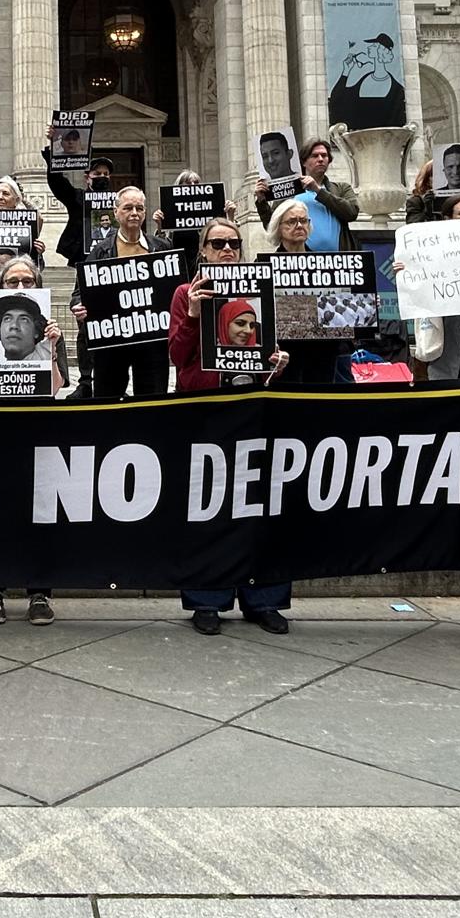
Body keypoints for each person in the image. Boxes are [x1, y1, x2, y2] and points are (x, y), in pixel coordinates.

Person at [166, 218, 294, 634]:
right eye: (217, 243)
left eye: (233, 243)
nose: (226, 250)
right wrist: (192, 315)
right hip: (202, 410)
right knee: (206, 507)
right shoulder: (186, 293)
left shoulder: (258, 291)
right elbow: (177, 356)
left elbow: (266, 349)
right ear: (202, 250)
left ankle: (264, 600)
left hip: (251, 409)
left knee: (260, 505)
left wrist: (276, 362)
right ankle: (207, 600)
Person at [0, 256, 66, 625]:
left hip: (38, 431)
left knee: (39, 515)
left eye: (27, 281)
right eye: (12, 282)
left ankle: (39, 593)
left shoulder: (52, 334)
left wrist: (51, 350)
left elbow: (56, 387)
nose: (20, 287)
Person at [70, 185, 173, 399]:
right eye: (128, 208)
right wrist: (79, 307)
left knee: (153, 401)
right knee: (107, 400)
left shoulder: (162, 248)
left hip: (152, 342)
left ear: (145, 212)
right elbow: (79, 292)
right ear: (115, 212)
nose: (134, 213)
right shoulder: (100, 251)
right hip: (111, 343)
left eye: (139, 208)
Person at [395, 193, 460, 380]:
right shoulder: (433, 250)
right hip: (451, 339)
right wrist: (406, 273)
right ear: (448, 219)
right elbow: (419, 290)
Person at [264, 199, 351, 384]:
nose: (299, 226)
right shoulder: (265, 266)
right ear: (278, 227)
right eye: (291, 221)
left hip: (323, 352)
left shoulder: (327, 265)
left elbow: (340, 307)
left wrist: (366, 303)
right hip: (284, 353)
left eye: (303, 221)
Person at [41, 132, 113, 264]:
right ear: (87, 178)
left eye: (105, 174)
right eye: (97, 174)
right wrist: (54, 148)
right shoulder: (77, 197)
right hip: (82, 257)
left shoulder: (119, 200)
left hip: (111, 257)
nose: (102, 176)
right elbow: (57, 182)